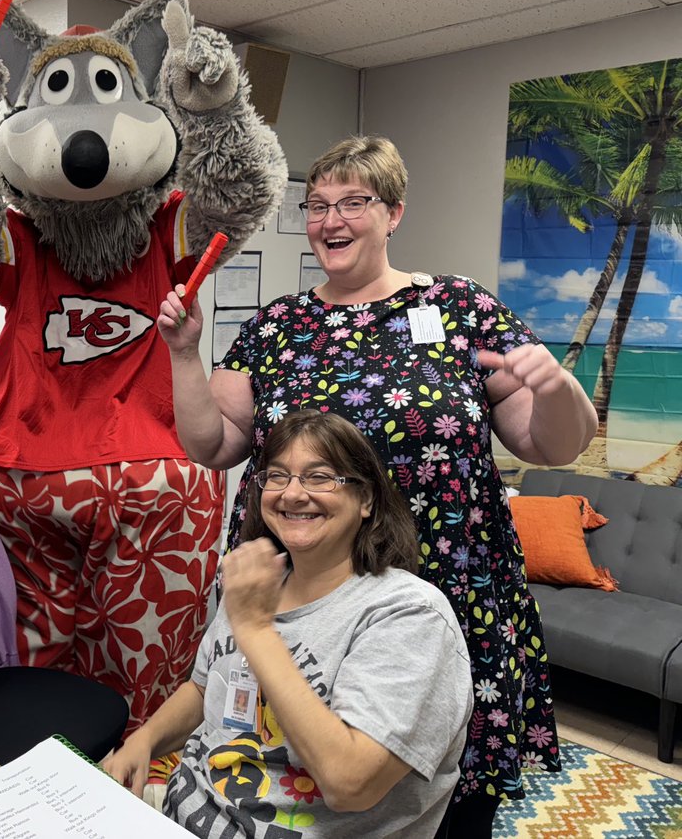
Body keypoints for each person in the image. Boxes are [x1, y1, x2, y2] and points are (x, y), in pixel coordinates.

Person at [159, 135, 598, 837]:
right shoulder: (276, 326)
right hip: (303, 592)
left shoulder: (460, 308)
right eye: (318, 205)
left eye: (354, 203)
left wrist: (559, 388)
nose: (331, 220)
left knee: (438, 790)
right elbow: (212, 444)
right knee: (288, 769)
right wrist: (184, 353)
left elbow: (552, 441)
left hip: (444, 587)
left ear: (393, 214)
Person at [105, 411, 473, 838]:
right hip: (177, 814)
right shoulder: (261, 580)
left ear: (367, 500)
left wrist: (256, 629)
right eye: (277, 476)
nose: (293, 494)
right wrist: (144, 741)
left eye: (320, 478)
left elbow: (350, 784)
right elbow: (206, 687)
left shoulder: (410, 615)